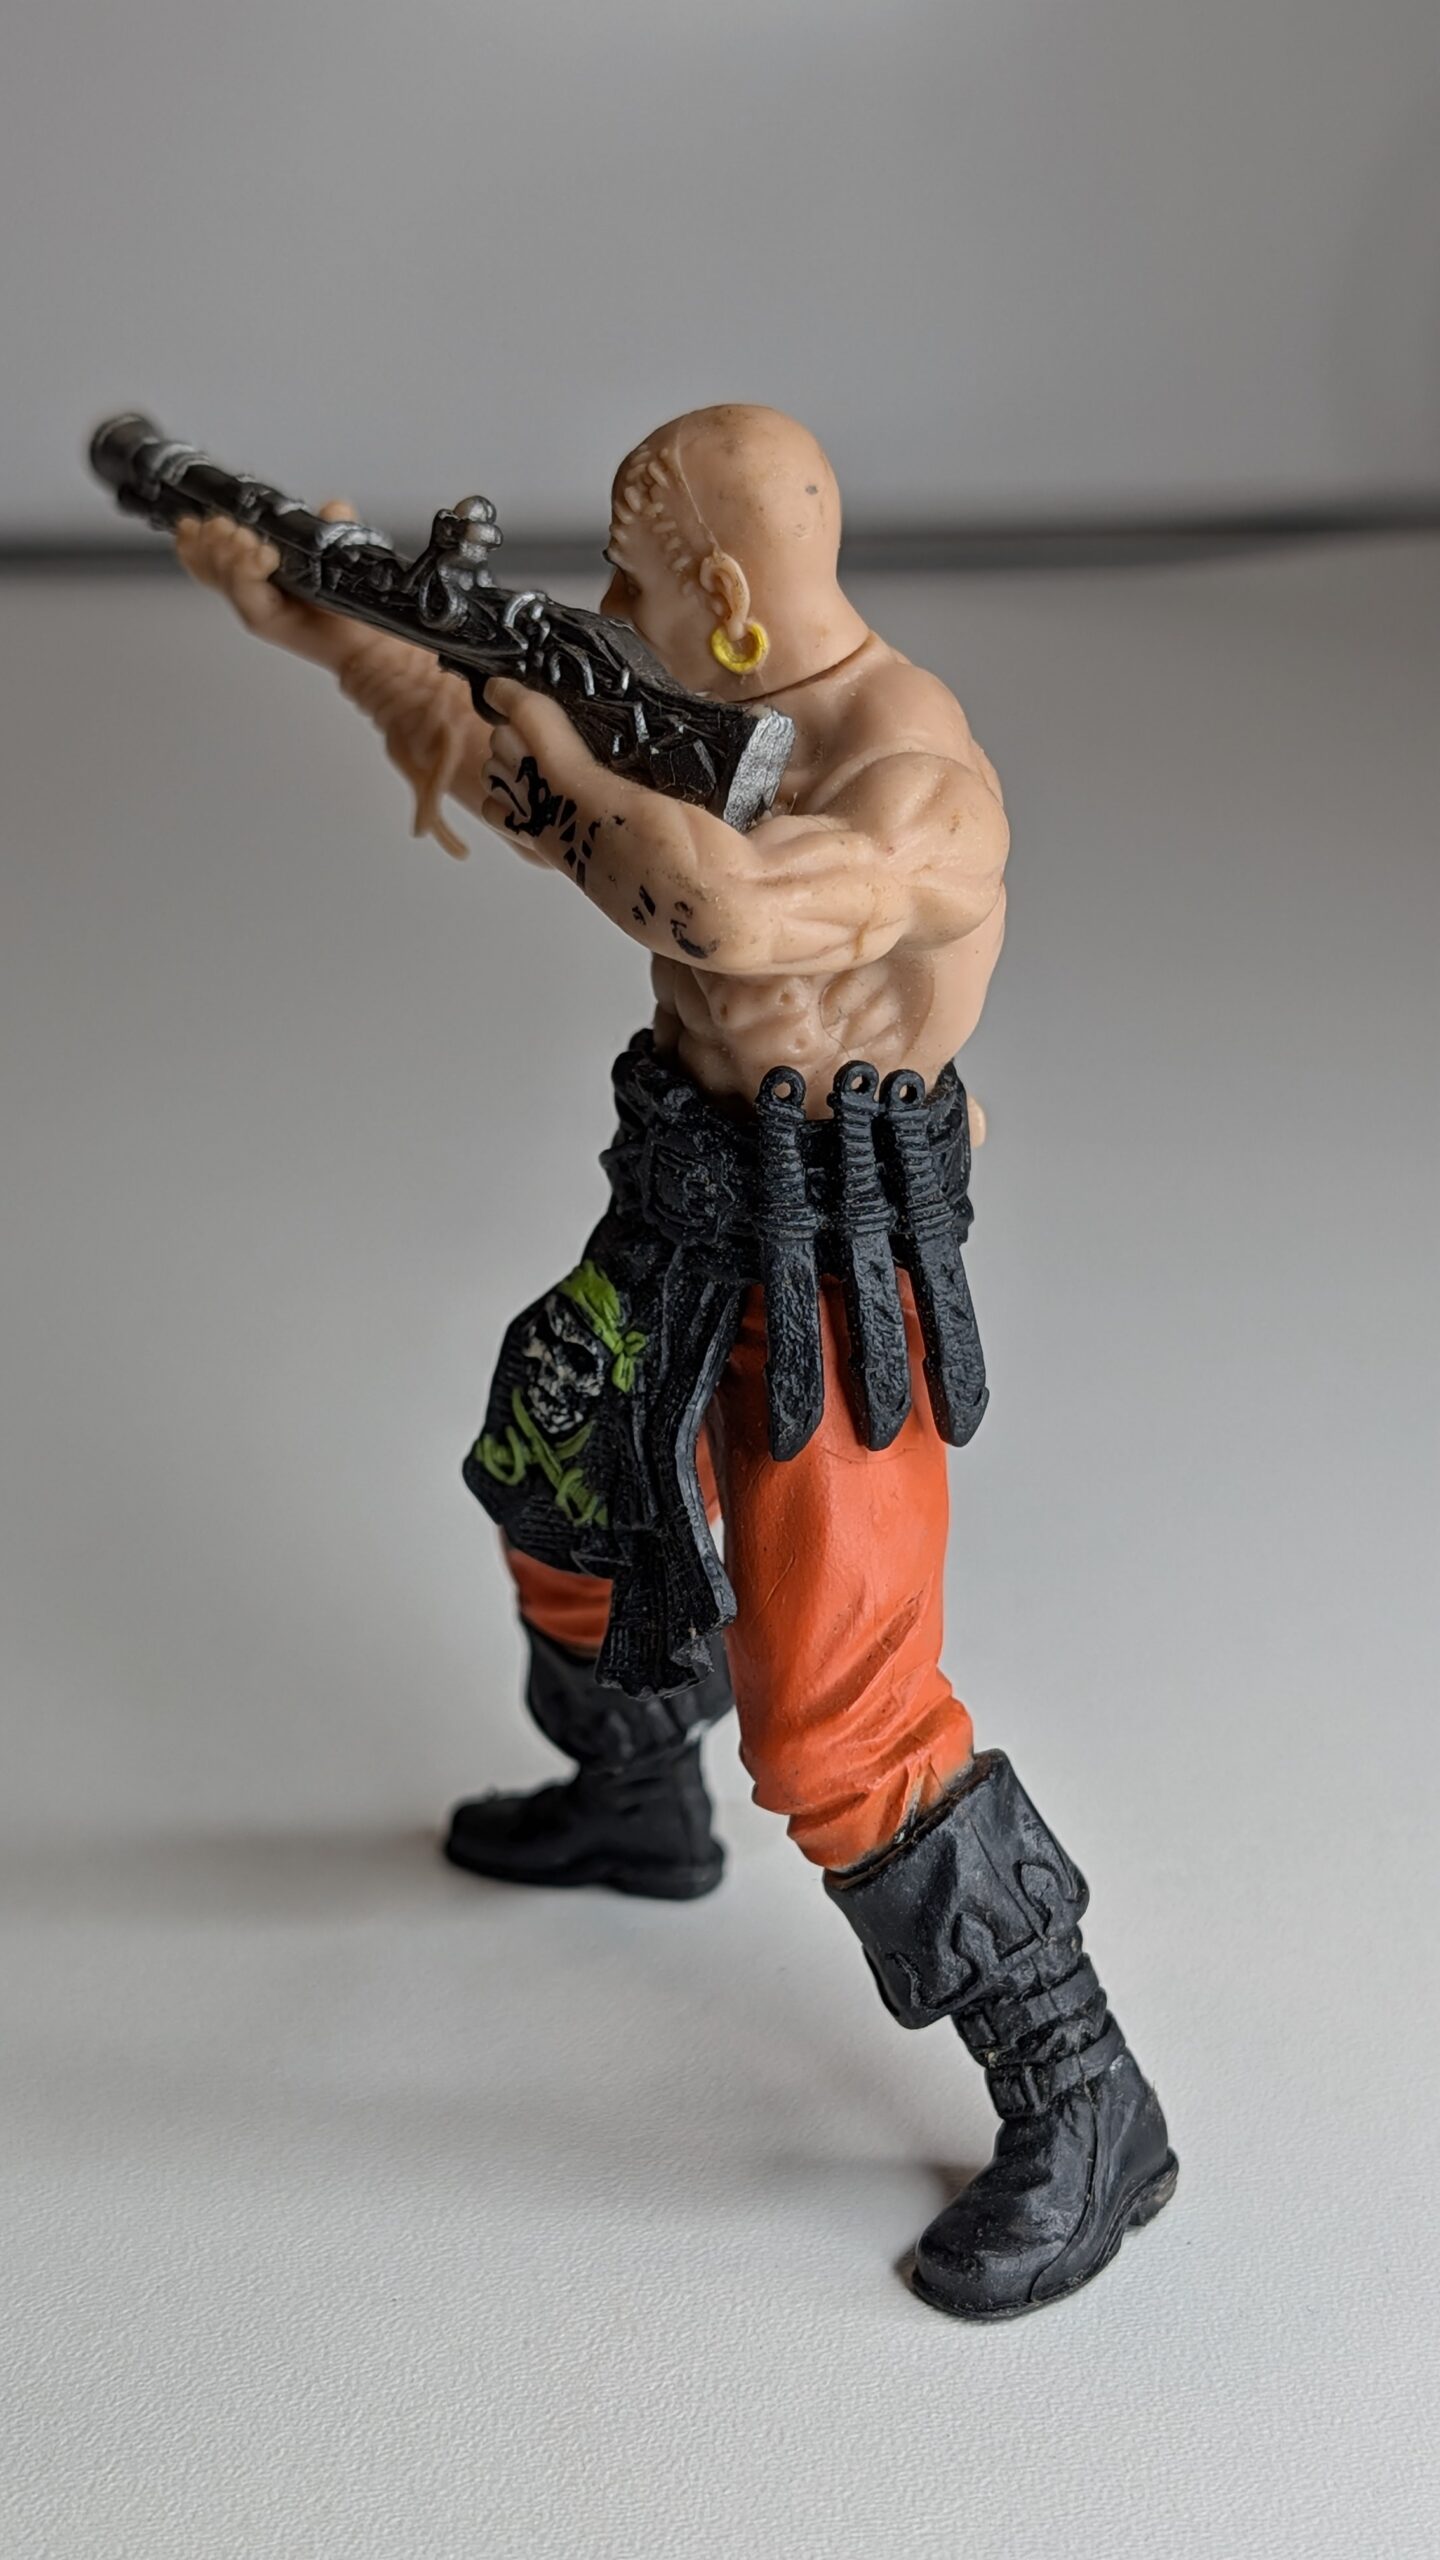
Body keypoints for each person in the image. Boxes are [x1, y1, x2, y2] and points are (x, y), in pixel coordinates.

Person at [176, 403, 1175, 2319]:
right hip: (682, 1204)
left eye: (634, 588)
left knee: (838, 1712)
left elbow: (718, 905)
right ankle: (637, 1802)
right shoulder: (683, 710)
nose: (606, 615)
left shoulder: (918, 775)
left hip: (835, 1269)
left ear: (723, 596)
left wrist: (552, 741)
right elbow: (496, 765)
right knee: (558, 1490)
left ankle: (1082, 2089)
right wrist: (334, 624)